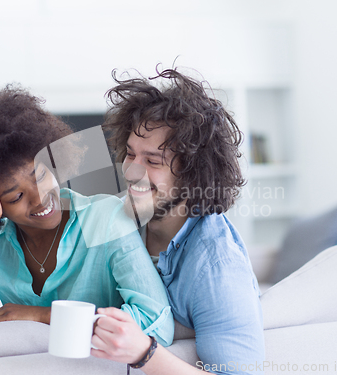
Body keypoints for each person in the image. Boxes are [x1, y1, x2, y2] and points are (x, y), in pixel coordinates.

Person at [0, 85, 173, 346]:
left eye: (42, 175)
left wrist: (41, 315)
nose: (40, 197)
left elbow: (157, 324)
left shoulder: (106, 218)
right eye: (16, 197)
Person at [91, 68, 265, 375]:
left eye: (152, 161)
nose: (132, 171)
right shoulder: (115, 219)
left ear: (192, 174)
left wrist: (144, 353)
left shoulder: (216, 267)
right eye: (130, 154)